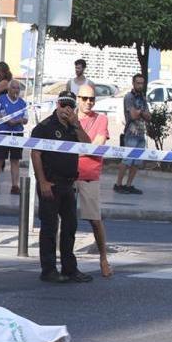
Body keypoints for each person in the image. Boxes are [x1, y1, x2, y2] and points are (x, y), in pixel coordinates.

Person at [31, 91, 93, 284]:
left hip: (68, 184)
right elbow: (36, 154)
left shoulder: (73, 127)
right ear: (57, 105)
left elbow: (87, 144)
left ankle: (70, 268)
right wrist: (42, 182)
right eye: (63, 105)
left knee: (70, 227)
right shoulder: (45, 127)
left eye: (70, 106)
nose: (66, 109)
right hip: (51, 183)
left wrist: (77, 124)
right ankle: (48, 269)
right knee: (49, 228)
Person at [75, 84, 113, 278]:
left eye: (91, 99)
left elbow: (96, 146)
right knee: (61, 219)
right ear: (77, 98)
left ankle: (103, 258)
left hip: (89, 174)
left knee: (95, 220)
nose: (88, 102)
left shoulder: (101, 119)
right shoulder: (69, 117)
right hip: (67, 173)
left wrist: (77, 149)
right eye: (84, 98)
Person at [0, 79, 27, 195]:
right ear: (8, 89)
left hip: (17, 134)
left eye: (18, 88)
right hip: (2, 132)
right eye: (13, 88)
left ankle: (15, 186)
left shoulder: (22, 103)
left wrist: (18, 120)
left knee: (15, 160)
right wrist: (5, 119)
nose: (16, 90)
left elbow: (25, 119)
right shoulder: (1, 100)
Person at [114, 73, 150, 195]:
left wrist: (140, 112)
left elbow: (149, 116)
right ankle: (118, 184)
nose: (140, 85)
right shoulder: (129, 97)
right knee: (127, 160)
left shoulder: (143, 97)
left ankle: (128, 185)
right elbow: (133, 115)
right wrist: (142, 112)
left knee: (137, 161)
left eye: (142, 83)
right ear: (133, 83)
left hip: (141, 132)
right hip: (131, 132)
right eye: (138, 83)